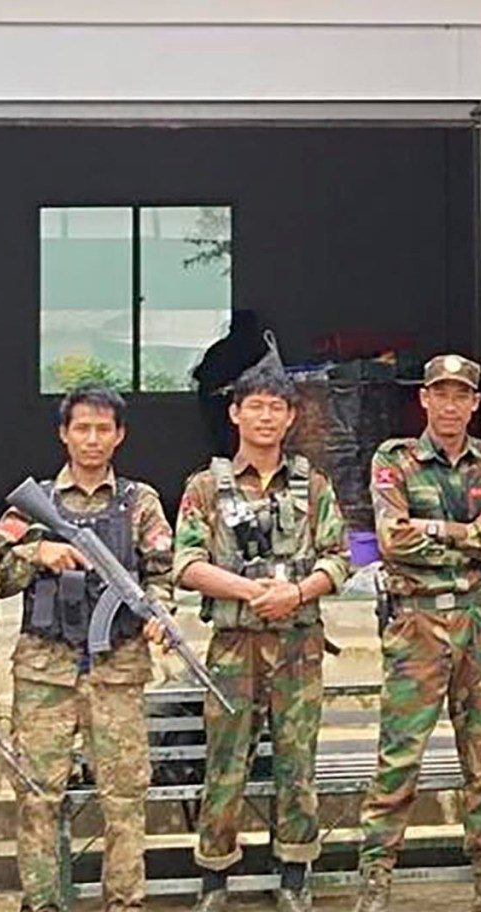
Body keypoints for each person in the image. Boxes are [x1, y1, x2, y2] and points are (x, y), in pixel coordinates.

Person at [172, 351, 353, 912]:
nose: (266, 418)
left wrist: (297, 593)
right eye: (255, 407)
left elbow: (340, 559)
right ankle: (215, 874)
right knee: (226, 762)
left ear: (291, 417)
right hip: (234, 644)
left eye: (277, 408)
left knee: (297, 763)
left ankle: (295, 871)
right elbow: (185, 563)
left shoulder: (314, 486)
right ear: (235, 414)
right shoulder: (205, 486)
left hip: (298, 646)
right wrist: (251, 592)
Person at [352, 353, 481, 912]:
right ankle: (376, 877)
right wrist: (468, 533)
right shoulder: (395, 458)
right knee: (400, 757)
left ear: (475, 403)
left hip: (479, 622)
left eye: (461, 395)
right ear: (424, 399)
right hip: (417, 625)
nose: (450, 405)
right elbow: (392, 539)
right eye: (440, 394)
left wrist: (434, 528)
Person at [0, 383, 176, 912]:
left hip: (117, 668)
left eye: (103, 429)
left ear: (119, 435)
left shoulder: (139, 502)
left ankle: (124, 902)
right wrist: (39, 552)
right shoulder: (35, 504)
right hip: (44, 671)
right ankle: (43, 901)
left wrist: (159, 615)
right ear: (63, 433)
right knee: (37, 795)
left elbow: (163, 574)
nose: (92, 439)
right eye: (82, 428)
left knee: (124, 799)